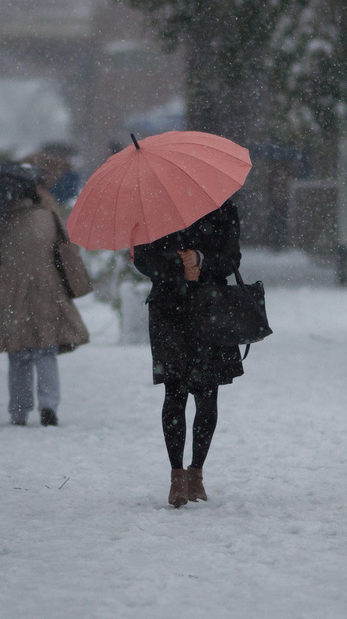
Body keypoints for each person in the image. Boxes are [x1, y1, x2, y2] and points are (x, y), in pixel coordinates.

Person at [133, 198, 243, 508]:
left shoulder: (222, 207)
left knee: (207, 394)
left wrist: (201, 260)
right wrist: (177, 266)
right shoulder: (151, 207)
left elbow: (232, 259)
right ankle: (176, 476)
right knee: (175, 391)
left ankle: (197, 473)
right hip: (169, 310)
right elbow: (142, 258)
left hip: (210, 308)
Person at [0, 187, 90, 427]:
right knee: (45, 351)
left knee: (18, 354)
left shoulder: (2, 222)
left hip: (12, 295)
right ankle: (49, 405)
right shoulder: (48, 218)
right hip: (47, 290)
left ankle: (19, 411)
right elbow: (64, 250)